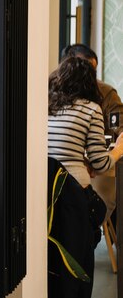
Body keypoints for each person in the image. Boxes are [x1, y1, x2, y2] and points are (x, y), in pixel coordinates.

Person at [47, 56, 123, 297]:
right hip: (72, 196)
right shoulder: (91, 109)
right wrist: (118, 149)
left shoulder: (46, 104)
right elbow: (101, 164)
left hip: (46, 191)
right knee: (82, 253)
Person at [60, 43, 123, 222]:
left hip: (88, 169)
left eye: (93, 72)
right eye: (86, 70)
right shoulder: (52, 97)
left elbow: (119, 124)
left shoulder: (105, 93)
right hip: (76, 173)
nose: (90, 77)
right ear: (68, 67)